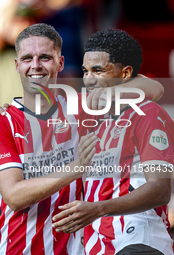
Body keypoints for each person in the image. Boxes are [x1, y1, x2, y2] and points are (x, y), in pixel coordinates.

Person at [0, 24, 163, 255]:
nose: (35, 66)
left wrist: (108, 94)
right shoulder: (0, 122)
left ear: (61, 63)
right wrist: (76, 167)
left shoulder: (82, 109)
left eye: (45, 57)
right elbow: (15, 196)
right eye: (27, 58)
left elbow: (154, 88)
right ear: (17, 65)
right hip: (17, 249)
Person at [52, 29, 174, 255]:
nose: (88, 80)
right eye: (85, 71)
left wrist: (98, 209)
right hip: (98, 245)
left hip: (138, 241)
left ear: (126, 74)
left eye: (98, 70)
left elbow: (160, 190)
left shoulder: (148, 114)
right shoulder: (89, 113)